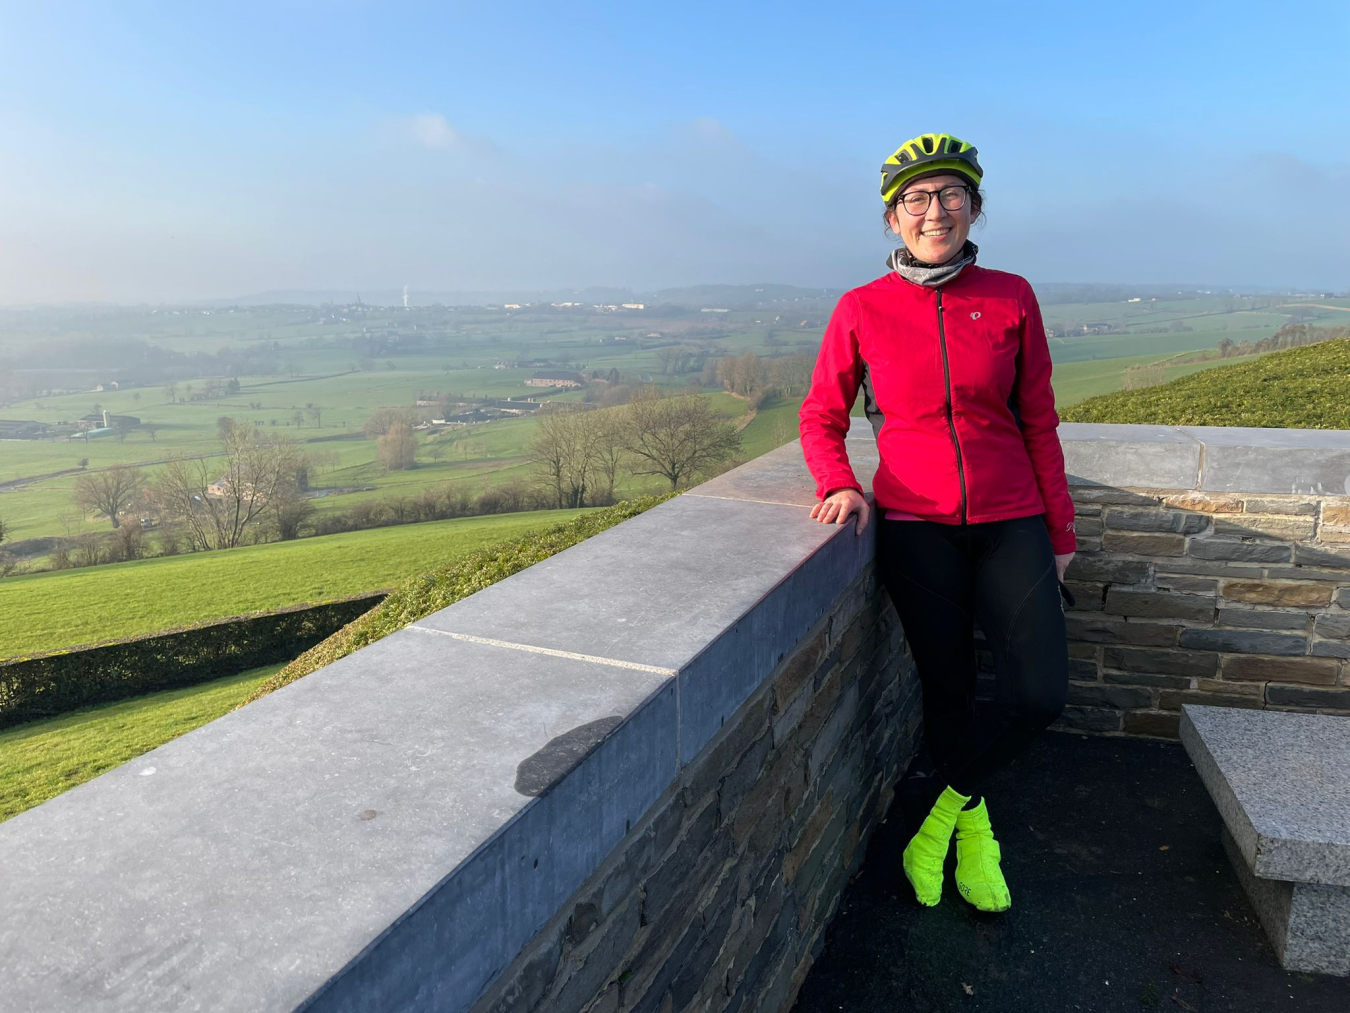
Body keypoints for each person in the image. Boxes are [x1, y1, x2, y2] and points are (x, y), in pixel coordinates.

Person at [797, 132, 1076, 914]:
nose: (935, 210)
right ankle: (977, 835)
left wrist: (1060, 535)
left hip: (1012, 516)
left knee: (1039, 696)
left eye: (951, 193)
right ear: (893, 219)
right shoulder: (861, 309)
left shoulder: (1012, 295)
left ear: (975, 206)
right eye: (916, 198)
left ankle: (939, 818)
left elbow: (1041, 423)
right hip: (915, 527)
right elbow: (820, 415)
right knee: (948, 689)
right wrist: (839, 483)